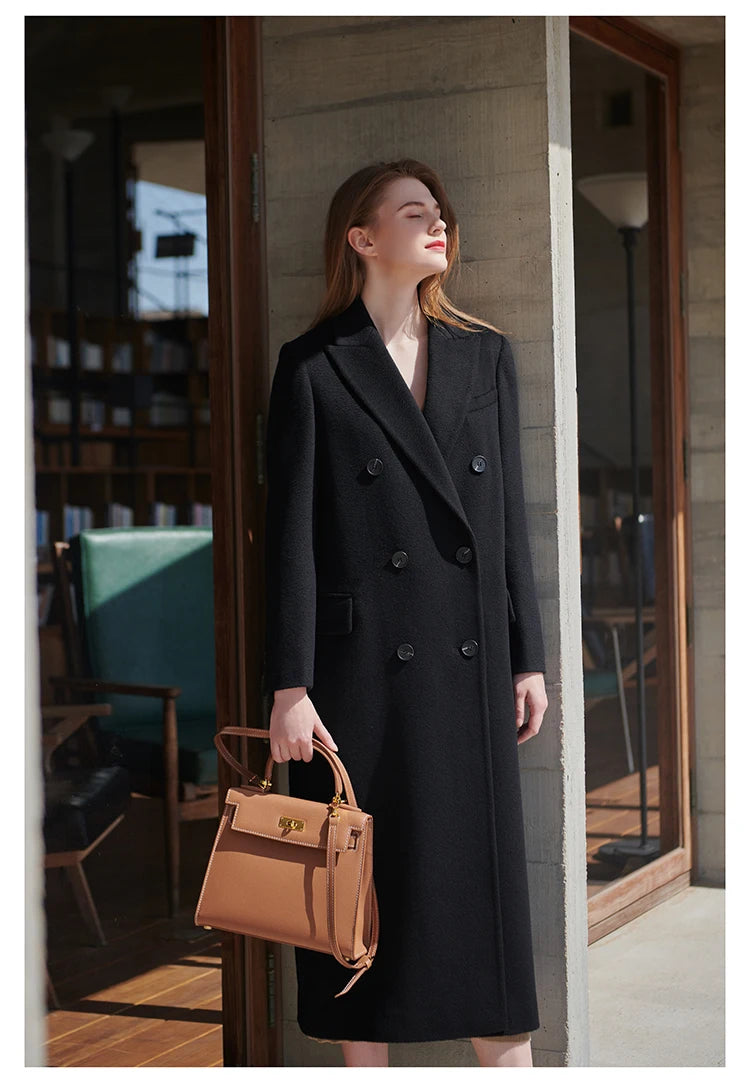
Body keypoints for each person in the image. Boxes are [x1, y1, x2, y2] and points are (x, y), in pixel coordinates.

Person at [263, 158, 548, 1068]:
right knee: (362, 921)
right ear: (362, 236)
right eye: (416, 212)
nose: (439, 226)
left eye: (442, 214)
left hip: (465, 677)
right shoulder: (312, 367)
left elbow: (506, 525)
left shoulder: (485, 356)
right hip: (360, 684)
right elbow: (291, 541)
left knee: (487, 938)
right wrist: (290, 685)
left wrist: (527, 655)